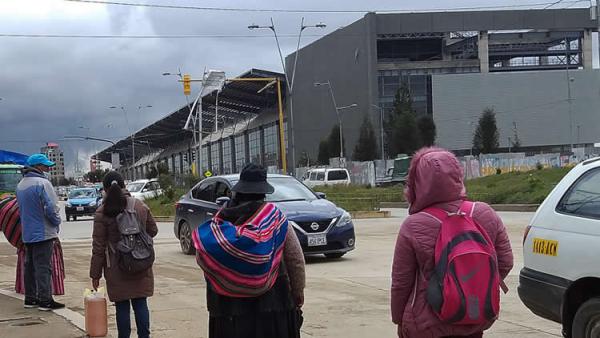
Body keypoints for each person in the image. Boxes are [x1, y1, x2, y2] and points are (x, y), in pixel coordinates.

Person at [391, 147, 514, 338]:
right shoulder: (484, 213)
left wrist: (399, 319)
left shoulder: (413, 225)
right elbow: (506, 261)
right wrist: (472, 287)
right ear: (457, 175)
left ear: (417, 182)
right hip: (474, 318)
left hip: (426, 325)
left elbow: (401, 282)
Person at [193, 163, 305, 338]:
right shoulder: (275, 218)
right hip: (273, 307)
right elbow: (295, 259)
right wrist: (298, 293)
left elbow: (204, 258)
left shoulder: (219, 222)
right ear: (263, 191)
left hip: (226, 312)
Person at [89, 171, 158, 338]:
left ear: (104, 189)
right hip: (140, 262)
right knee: (140, 303)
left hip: (116, 266)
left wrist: (95, 274)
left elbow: (98, 247)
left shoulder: (102, 212)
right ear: (124, 186)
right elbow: (153, 230)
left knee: (122, 306)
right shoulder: (139, 206)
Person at [15, 154, 64, 310]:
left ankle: (30, 298)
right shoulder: (43, 183)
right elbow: (51, 208)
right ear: (38, 167)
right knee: (43, 266)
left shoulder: (21, 185)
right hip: (44, 232)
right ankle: (45, 300)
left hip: (28, 233)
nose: (47, 168)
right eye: (45, 166)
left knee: (29, 266)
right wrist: (57, 223)